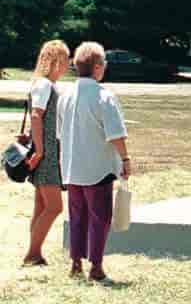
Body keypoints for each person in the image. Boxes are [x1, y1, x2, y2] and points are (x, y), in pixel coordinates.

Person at [57, 41, 132, 282]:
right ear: (98, 67)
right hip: (97, 168)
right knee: (100, 217)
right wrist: (125, 158)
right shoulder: (104, 96)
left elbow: (60, 133)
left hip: (71, 166)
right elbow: (115, 134)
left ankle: (76, 263)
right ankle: (96, 266)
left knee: (77, 215)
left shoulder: (65, 95)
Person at [23, 39, 71, 266]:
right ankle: (32, 254)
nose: (68, 65)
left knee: (42, 206)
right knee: (54, 207)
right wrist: (41, 151)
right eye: (65, 59)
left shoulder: (43, 84)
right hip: (47, 153)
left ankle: (35, 253)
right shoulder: (44, 85)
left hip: (47, 151)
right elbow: (36, 116)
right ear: (55, 61)